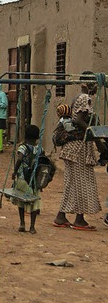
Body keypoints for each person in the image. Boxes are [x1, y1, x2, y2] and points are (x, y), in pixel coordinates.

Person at [53, 71, 103, 231]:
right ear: (89, 84)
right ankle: (79, 220)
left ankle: (61, 216)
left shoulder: (78, 98)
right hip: (78, 147)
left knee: (73, 183)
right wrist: (96, 137)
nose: (97, 88)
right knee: (82, 182)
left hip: (72, 148)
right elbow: (79, 120)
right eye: (95, 84)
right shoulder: (85, 98)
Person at [11, 124, 42, 234]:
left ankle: (22, 223)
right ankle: (32, 226)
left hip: (23, 178)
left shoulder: (23, 147)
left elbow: (19, 159)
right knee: (34, 203)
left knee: (21, 202)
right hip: (34, 180)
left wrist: (14, 171)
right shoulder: (39, 148)